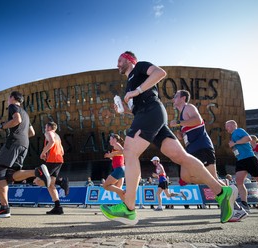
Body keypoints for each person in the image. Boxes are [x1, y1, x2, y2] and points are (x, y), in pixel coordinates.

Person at [100, 51, 238, 225]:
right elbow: (136, 107)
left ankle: (129, 208)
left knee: (129, 151)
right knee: (181, 157)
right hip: (149, 116)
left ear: (129, 60)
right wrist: (123, 109)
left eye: (120, 60)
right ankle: (222, 192)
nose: (117, 64)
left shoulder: (140, 67)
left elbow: (160, 73)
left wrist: (136, 91)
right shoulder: (129, 84)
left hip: (152, 112)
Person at [170, 90, 246, 222]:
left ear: (182, 98)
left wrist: (178, 122)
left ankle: (236, 209)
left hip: (202, 147)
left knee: (211, 178)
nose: (173, 99)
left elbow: (198, 120)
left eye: (175, 96)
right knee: (187, 176)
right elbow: (187, 134)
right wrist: (179, 132)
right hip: (192, 149)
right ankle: (231, 200)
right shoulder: (182, 115)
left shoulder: (189, 107)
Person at [0, 91, 51, 218]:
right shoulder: (25, 113)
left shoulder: (13, 107)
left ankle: (4, 208)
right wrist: (20, 135)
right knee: (10, 175)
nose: (8, 100)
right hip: (24, 144)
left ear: (12, 98)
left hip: (14, 143)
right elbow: (31, 132)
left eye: (8, 98)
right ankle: (37, 172)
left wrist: (1, 126)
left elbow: (17, 120)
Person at [33, 121, 66, 215]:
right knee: (50, 185)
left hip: (52, 160)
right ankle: (58, 207)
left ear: (49, 127)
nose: (44, 128)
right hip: (59, 160)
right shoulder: (57, 136)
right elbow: (62, 151)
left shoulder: (49, 133)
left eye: (45, 126)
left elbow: (51, 142)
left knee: (37, 181)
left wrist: (43, 152)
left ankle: (61, 181)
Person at [102, 133, 126, 201]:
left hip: (119, 169)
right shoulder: (115, 147)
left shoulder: (116, 144)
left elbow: (124, 152)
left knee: (106, 186)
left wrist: (112, 154)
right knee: (118, 189)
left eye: (110, 139)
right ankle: (127, 206)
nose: (109, 141)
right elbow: (118, 156)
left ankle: (124, 192)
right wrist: (110, 156)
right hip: (121, 169)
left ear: (114, 139)